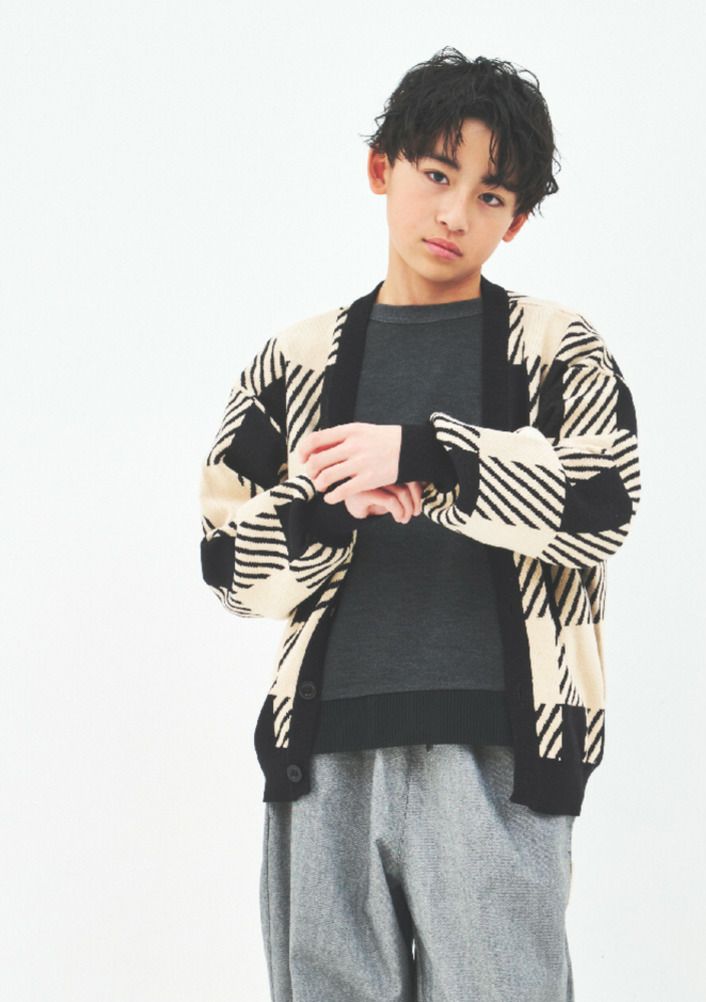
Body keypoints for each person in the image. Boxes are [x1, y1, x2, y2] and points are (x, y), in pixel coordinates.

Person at [198, 45, 642, 1002]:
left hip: (497, 753)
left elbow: (603, 504)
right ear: (381, 168)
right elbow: (227, 565)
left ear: (516, 221)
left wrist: (429, 456)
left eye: (490, 194)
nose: (454, 212)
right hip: (323, 757)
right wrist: (323, 507)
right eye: (437, 174)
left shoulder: (556, 347)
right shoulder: (295, 361)